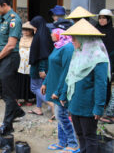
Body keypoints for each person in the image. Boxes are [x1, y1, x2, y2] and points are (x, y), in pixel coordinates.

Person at [62, 18, 110, 153]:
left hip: (88, 105)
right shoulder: (78, 54)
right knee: (80, 135)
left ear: (84, 38)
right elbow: (70, 76)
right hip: (75, 103)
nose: (72, 41)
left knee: (89, 136)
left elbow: (101, 84)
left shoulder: (98, 58)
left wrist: (98, 108)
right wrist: (64, 94)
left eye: (75, 38)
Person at [0, 0, 25, 134]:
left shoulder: (14, 19)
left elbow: (10, 45)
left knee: (8, 91)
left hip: (10, 58)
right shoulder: (2, 20)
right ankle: (16, 110)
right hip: (0, 56)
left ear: (5, 5)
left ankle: (7, 124)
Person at [41, 28, 79, 153]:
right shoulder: (58, 46)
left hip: (61, 87)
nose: (51, 34)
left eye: (53, 32)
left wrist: (58, 91)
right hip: (54, 85)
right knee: (60, 116)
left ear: (59, 34)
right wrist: (45, 83)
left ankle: (73, 144)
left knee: (61, 115)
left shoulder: (68, 48)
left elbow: (66, 71)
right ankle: (62, 142)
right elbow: (52, 67)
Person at [28, 16, 54, 116]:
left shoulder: (40, 36)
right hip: (42, 66)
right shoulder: (45, 33)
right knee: (40, 87)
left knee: (34, 88)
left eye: (34, 26)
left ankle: (51, 103)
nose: (33, 28)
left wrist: (42, 69)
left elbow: (44, 55)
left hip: (39, 67)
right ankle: (38, 108)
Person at [95, 9, 114, 124]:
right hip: (95, 61)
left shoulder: (112, 32)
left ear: (108, 19)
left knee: (105, 84)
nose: (101, 20)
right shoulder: (95, 30)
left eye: (104, 18)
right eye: (100, 18)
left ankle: (104, 108)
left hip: (109, 62)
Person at [16, 21, 35, 106]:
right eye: (24, 30)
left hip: (29, 63)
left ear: (31, 30)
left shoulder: (34, 39)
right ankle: (20, 98)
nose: (25, 32)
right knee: (20, 80)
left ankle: (28, 98)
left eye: (28, 30)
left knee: (28, 80)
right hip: (20, 63)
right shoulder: (20, 39)